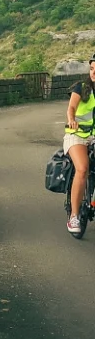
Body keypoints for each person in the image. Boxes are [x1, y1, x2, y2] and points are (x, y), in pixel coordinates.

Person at [64, 54, 95, 233]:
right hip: (77, 135)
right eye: (92, 69)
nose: (93, 73)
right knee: (82, 168)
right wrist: (72, 120)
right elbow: (72, 108)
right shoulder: (81, 88)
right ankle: (74, 217)